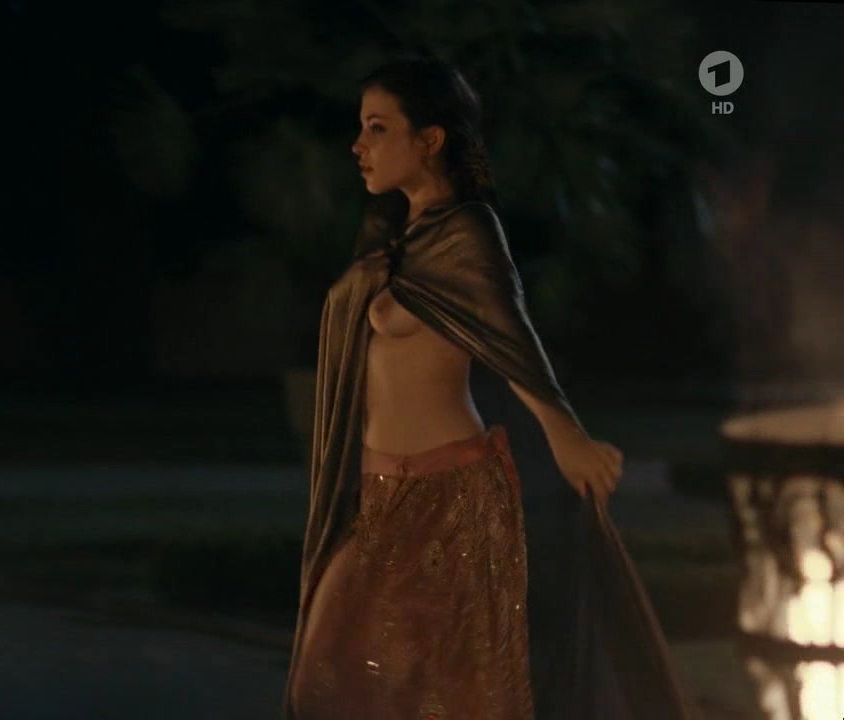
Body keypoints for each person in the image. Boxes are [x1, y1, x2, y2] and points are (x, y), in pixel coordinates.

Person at [280, 50, 703, 719]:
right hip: (377, 490)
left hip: (451, 494)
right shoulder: (394, 237)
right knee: (327, 682)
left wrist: (567, 437)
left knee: (452, 691)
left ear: (430, 139)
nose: (358, 145)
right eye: (361, 128)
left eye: (378, 128)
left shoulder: (468, 232)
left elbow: (513, 340)